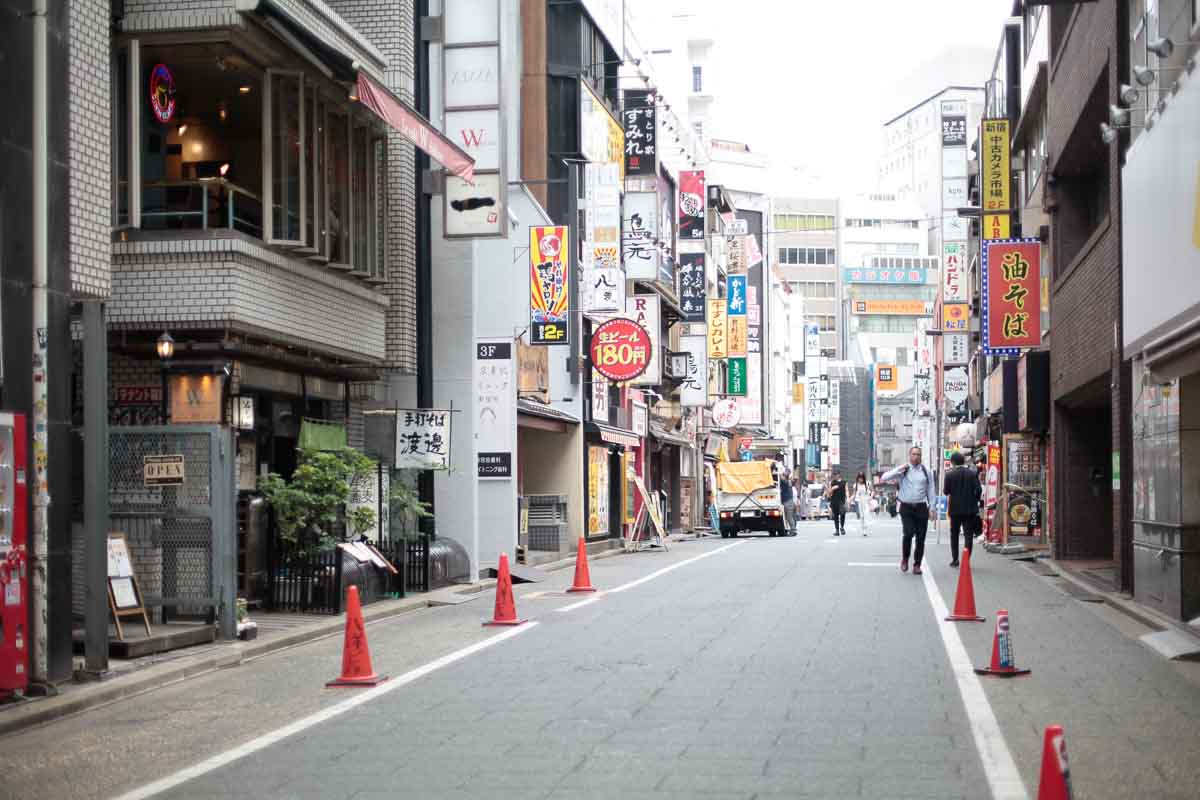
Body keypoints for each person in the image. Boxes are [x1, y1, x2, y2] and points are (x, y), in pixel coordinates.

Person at [881, 447, 937, 574]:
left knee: (921, 537)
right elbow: (884, 477)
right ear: (909, 455)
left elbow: (931, 489)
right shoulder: (903, 470)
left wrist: (932, 508)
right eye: (914, 454)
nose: (916, 456)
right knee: (908, 533)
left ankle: (917, 565)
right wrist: (899, 469)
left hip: (921, 506)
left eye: (918, 454)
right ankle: (905, 559)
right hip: (906, 507)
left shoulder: (926, 471)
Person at [944, 451, 983, 566]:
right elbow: (979, 489)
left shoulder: (949, 475)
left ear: (952, 462)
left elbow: (946, 491)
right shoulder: (972, 474)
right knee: (968, 535)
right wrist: (975, 499)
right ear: (963, 461)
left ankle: (955, 559)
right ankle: (966, 560)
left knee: (954, 534)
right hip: (969, 509)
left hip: (955, 509)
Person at [825, 472, 847, 536]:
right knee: (835, 516)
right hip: (834, 501)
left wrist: (848, 499)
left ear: (839, 475)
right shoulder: (832, 483)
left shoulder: (843, 482)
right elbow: (829, 493)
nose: (835, 476)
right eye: (834, 475)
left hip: (841, 501)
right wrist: (831, 489)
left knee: (842, 514)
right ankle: (837, 530)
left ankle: (842, 527)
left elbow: (846, 490)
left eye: (836, 475)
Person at [780, 468, 796, 534]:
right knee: (790, 517)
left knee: (789, 517)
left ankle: (793, 530)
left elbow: (782, 479)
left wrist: (780, 473)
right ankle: (792, 529)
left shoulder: (786, 482)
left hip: (788, 502)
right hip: (790, 501)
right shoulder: (789, 482)